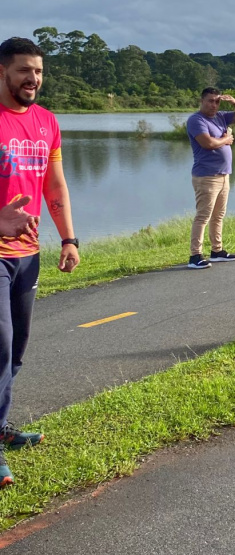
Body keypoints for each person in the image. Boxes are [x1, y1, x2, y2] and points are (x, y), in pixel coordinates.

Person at [0, 37, 80, 487]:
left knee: (15, 351)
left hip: (27, 256)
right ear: (1, 72)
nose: (33, 79)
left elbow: (55, 186)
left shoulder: (47, 122)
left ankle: (0, 425)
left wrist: (68, 238)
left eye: (39, 72)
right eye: (23, 71)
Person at [186, 87, 235, 269]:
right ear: (202, 101)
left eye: (217, 101)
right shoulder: (196, 120)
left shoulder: (221, 116)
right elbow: (208, 143)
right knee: (203, 216)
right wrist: (226, 140)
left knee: (218, 215)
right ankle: (195, 256)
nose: (214, 105)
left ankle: (217, 251)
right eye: (210, 101)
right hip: (206, 176)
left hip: (223, 175)